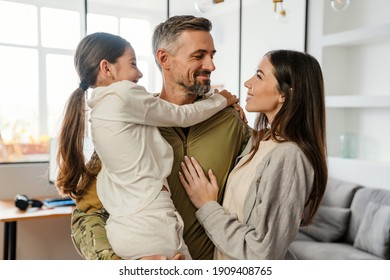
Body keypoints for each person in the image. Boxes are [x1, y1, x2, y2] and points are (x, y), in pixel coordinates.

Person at [69, 16, 252, 260]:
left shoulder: (231, 122)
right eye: (199, 56)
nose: (211, 66)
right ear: (164, 58)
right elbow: (86, 214)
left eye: (212, 55)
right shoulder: (127, 124)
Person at [179, 49, 328, 259]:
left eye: (259, 76)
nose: (248, 83)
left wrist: (207, 206)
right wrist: (223, 109)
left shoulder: (290, 157)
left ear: (284, 94)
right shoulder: (260, 141)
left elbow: (262, 253)